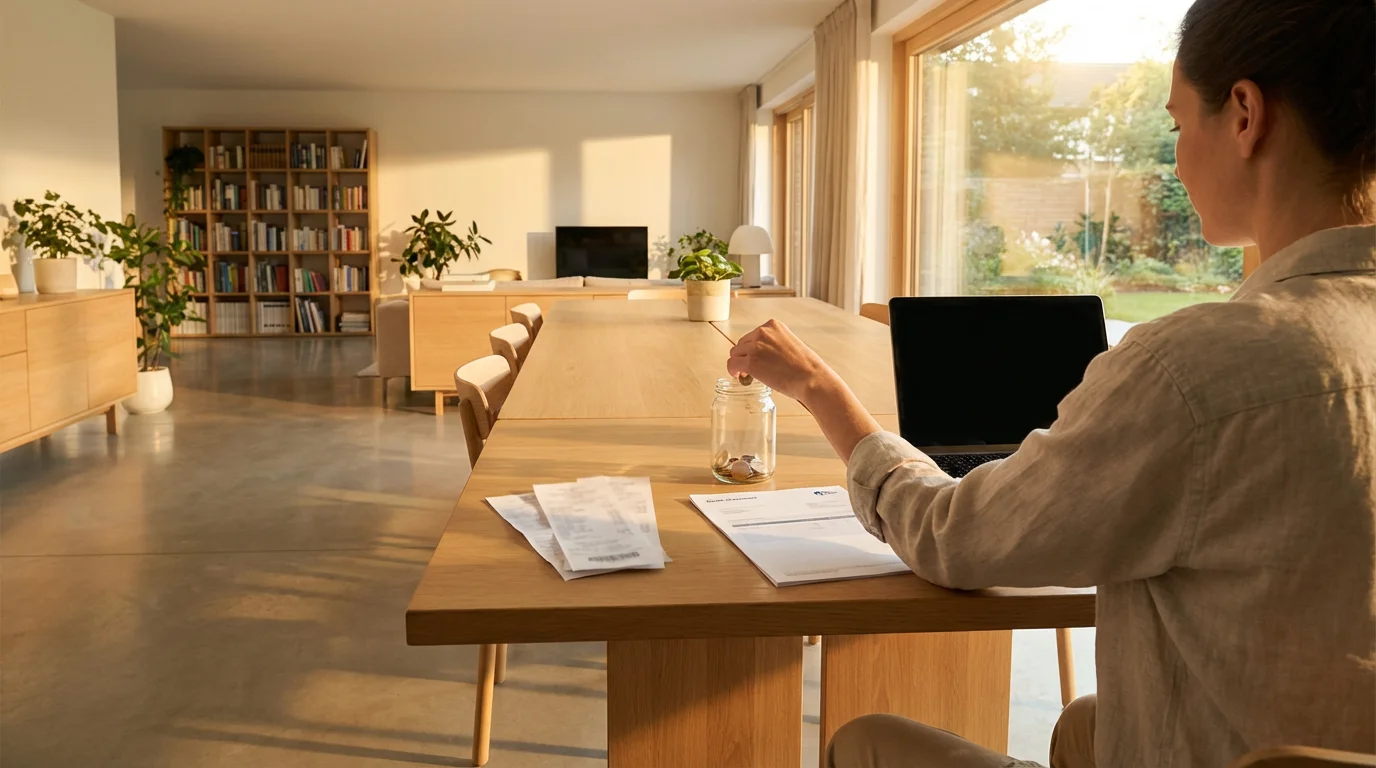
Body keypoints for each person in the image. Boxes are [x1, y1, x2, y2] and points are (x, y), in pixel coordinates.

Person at [726, 0, 1376, 765]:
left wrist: (822, 393)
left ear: (1243, 115)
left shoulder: (1197, 371)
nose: (1173, 159)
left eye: (1174, 125)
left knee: (864, 741)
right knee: (1084, 721)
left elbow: (952, 538)